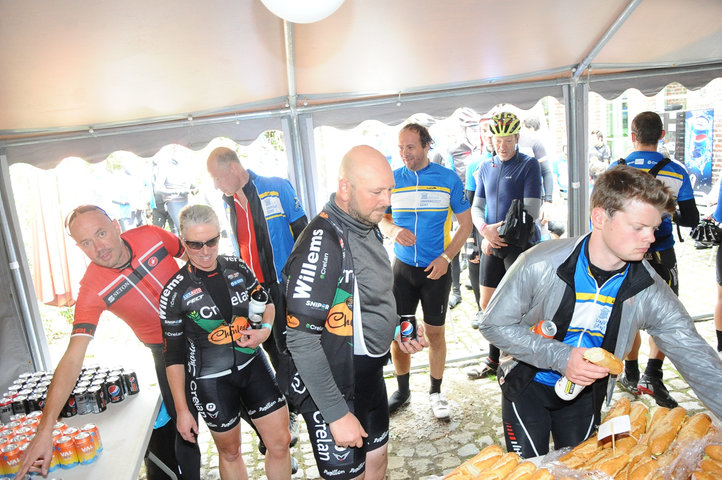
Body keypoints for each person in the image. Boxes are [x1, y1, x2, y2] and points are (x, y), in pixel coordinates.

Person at [479, 165, 722, 458]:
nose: (650, 238)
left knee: (578, 472)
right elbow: (493, 325)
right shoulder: (539, 262)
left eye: (654, 228)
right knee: (527, 473)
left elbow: (696, 357)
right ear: (599, 217)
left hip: (585, 395)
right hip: (527, 387)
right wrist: (561, 356)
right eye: (639, 227)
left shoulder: (649, 289)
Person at [15, 205, 200, 480]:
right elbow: (73, 357)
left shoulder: (151, 235)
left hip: (206, 332)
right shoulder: (92, 287)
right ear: (79, 247)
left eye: (101, 233)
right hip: (165, 352)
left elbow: (196, 260)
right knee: (185, 430)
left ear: (116, 225)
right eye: (86, 242)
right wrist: (45, 429)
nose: (98, 247)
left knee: (245, 399)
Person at [283, 145, 427, 480]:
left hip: (369, 373)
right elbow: (300, 340)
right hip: (334, 385)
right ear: (345, 188)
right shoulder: (320, 242)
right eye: (377, 191)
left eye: (390, 189)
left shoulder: (365, 221)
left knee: (377, 464)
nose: (387, 200)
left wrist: (395, 329)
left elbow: (367, 293)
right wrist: (335, 414)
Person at [161, 205, 291, 479]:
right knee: (230, 453)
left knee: (279, 443)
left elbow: (265, 302)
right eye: (195, 245)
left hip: (254, 366)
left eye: (212, 241)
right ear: (182, 240)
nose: (206, 251)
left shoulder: (237, 267)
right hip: (211, 382)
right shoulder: (175, 291)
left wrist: (265, 329)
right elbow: (173, 357)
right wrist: (183, 411)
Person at [206, 146, 308, 449]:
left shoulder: (276, 187)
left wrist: (298, 279)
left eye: (216, 177)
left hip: (282, 282)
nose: (215, 185)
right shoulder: (228, 201)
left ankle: (290, 413)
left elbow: (303, 231)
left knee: (285, 347)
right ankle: (278, 411)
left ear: (233, 168)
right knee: (264, 348)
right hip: (253, 290)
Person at [381, 123, 473, 419]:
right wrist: (393, 229)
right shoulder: (393, 180)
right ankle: (403, 390)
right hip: (403, 270)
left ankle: (435, 391)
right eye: (400, 148)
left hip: (437, 269)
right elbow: (380, 220)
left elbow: (466, 225)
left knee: (435, 333)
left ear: (426, 146)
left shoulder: (448, 179)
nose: (405, 154)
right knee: (401, 334)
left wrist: (447, 257)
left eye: (410, 147)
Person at [609, 111, 699, 408]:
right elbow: (691, 219)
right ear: (662, 135)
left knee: (627, 311)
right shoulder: (676, 171)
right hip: (662, 252)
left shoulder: (616, 170)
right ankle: (652, 374)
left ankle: (630, 372)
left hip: (624, 254)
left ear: (632, 136)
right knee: (665, 314)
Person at [466, 112, 542, 379]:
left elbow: (531, 209)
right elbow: (477, 206)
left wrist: (496, 234)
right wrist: (485, 233)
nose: (502, 146)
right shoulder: (486, 167)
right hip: (492, 242)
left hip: (518, 243)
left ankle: (517, 362)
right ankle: (493, 359)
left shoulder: (529, 165)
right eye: (497, 140)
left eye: (508, 140)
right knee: (487, 304)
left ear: (517, 138)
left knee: (517, 308)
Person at [465, 118, 494, 327]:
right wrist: (470, 240)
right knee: (476, 263)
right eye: (484, 132)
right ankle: (479, 308)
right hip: (480, 224)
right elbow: (469, 200)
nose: (489, 136)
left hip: (502, 227)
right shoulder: (475, 163)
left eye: (492, 132)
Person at [519, 115, 554, 240]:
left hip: (535, 200)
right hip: (516, 202)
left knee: (541, 239)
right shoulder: (507, 144)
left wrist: (548, 202)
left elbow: (547, 172)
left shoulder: (535, 143)